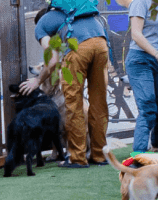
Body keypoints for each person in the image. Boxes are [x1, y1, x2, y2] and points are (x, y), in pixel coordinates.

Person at [21, 0, 112, 168]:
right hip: (101, 43)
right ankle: (99, 155)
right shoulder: (76, 10)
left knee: (73, 103)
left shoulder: (40, 27)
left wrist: (37, 81)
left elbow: (53, 60)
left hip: (79, 49)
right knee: (98, 103)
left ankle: (77, 158)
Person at [121, 0, 158, 155]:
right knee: (148, 107)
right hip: (140, 60)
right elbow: (136, 35)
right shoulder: (140, 3)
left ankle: (155, 148)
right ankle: (139, 155)